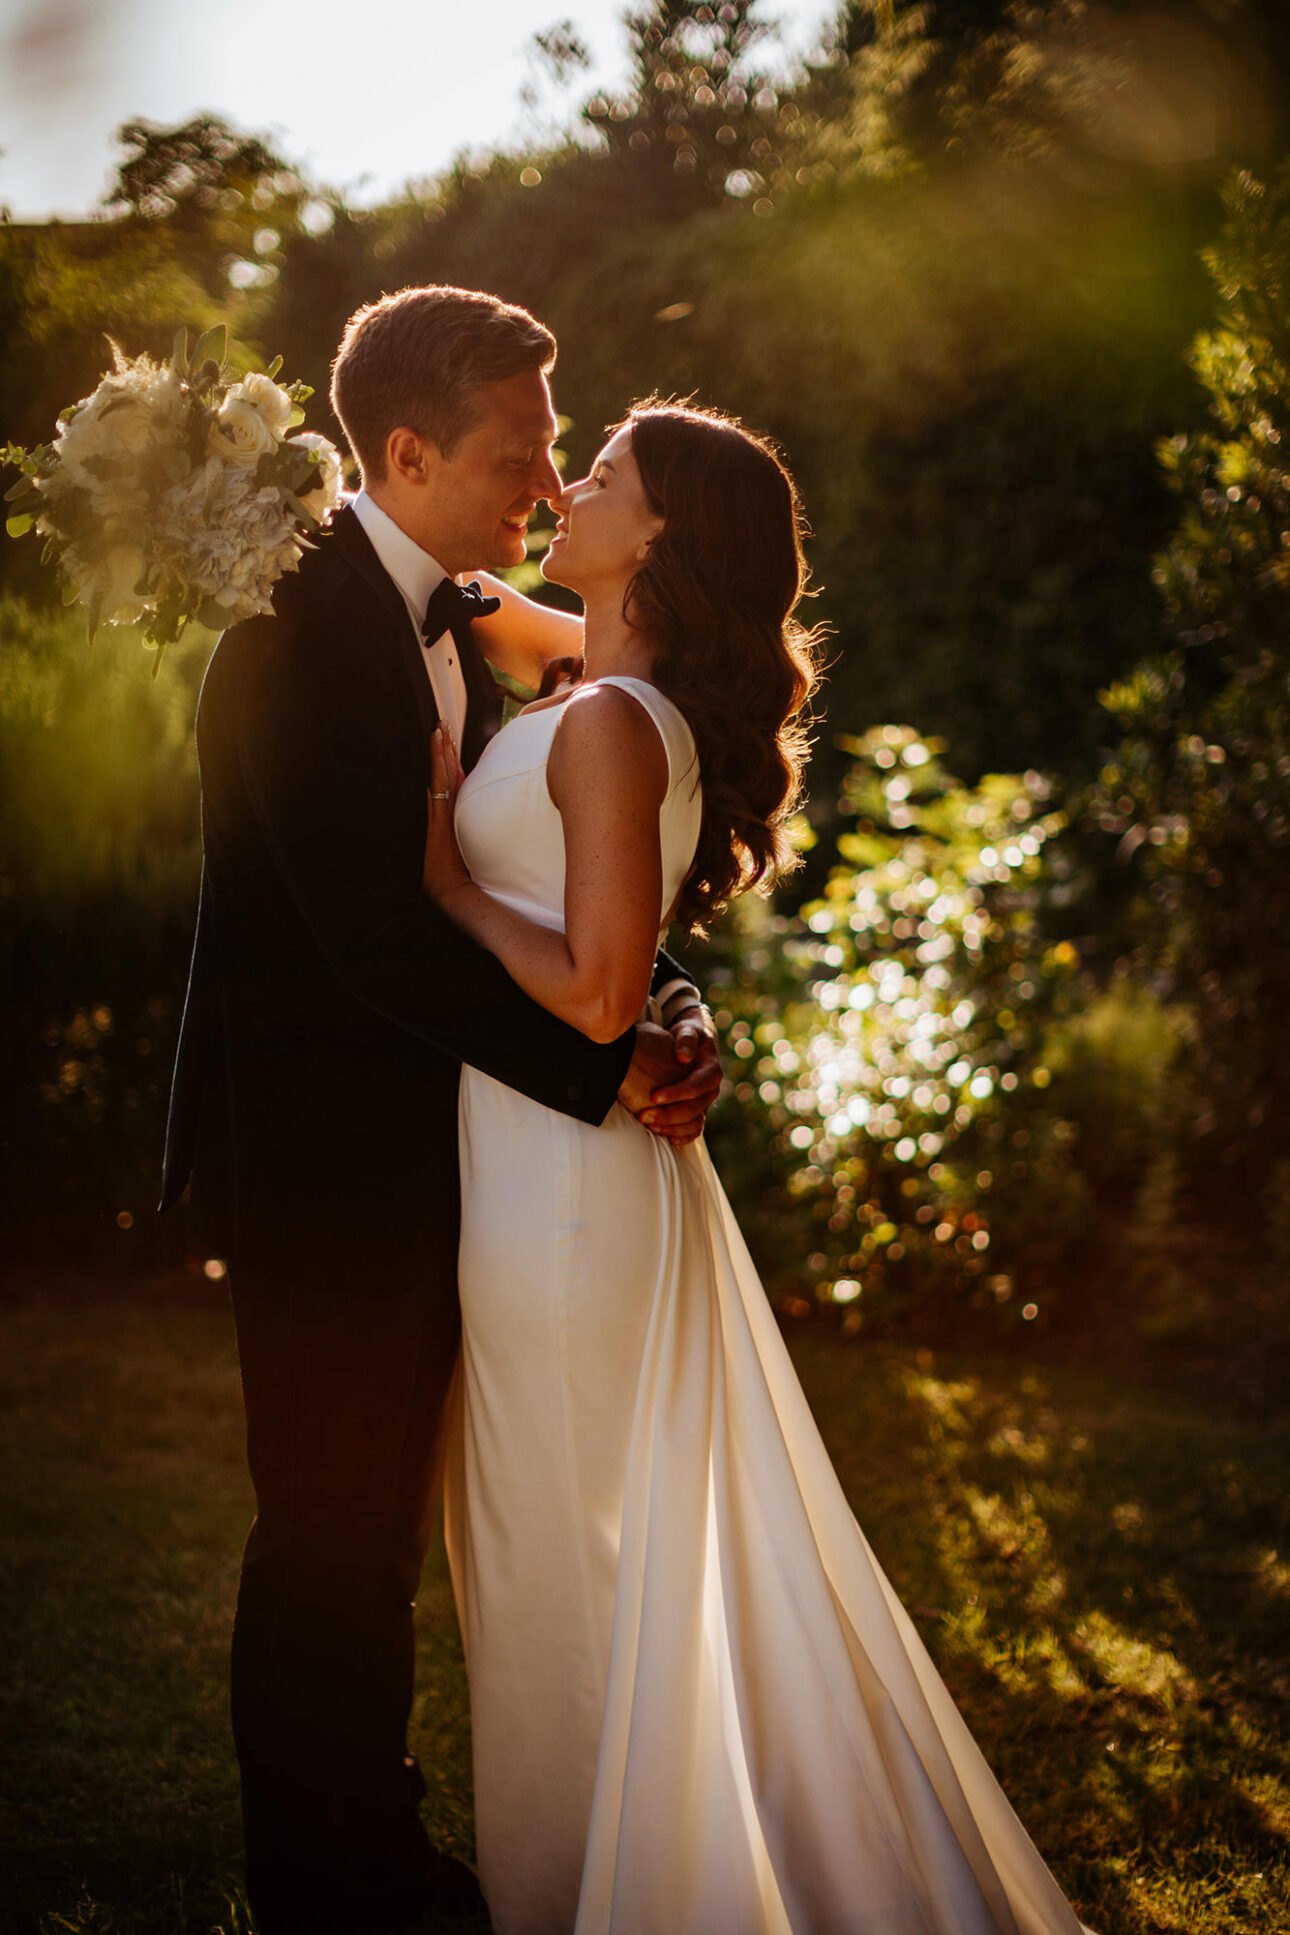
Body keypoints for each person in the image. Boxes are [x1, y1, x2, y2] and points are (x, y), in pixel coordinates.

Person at [421, 403, 1096, 1935]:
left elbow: (596, 992)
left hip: (560, 1197)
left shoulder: (603, 718)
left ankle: (606, 1896)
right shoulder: (598, 686)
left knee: (565, 1584)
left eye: (598, 476)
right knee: (564, 1569)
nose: (562, 485)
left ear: (657, 536)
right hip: (555, 1175)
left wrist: (449, 887)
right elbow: (491, 616)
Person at [159, 286, 721, 1935]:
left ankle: (377, 1846)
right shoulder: (290, 630)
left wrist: (667, 1001)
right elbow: (371, 929)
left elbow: (545, 869)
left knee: (383, 1538)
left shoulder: (468, 615)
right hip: (330, 1170)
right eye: (517, 455)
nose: (545, 491)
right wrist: (602, 1060)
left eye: (558, 456)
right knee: (330, 1540)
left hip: (453, 1154)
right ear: (403, 449)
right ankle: (341, 1887)